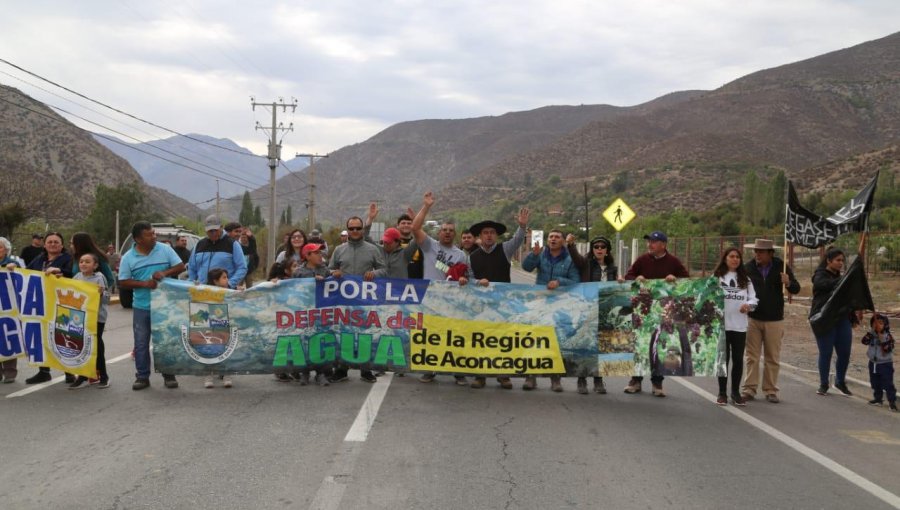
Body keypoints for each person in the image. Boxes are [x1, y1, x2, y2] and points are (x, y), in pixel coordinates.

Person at [410, 192, 473, 386]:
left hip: (452, 302)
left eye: (450, 230)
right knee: (431, 337)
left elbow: (467, 278)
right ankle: (430, 369)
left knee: (454, 336)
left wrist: (463, 279)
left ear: (455, 234)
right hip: (431, 299)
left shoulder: (461, 255)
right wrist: (426, 206)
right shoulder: (430, 246)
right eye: (444, 229)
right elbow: (414, 227)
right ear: (439, 233)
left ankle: (457, 370)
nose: (446, 232)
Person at [619, 230, 689, 397]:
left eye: (653, 242)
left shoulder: (673, 262)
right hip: (643, 310)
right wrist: (637, 278)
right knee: (640, 344)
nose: (649, 244)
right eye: (648, 241)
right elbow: (630, 275)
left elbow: (686, 280)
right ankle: (635, 381)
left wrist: (675, 278)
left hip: (664, 312)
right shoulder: (642, 260)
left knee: (659, 345)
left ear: (663, 245)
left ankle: (657, 383)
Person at [118, 221, 186, 390]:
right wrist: (144, 284)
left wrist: (164, 273)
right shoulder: (128, 257)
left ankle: (168, 374)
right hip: (142, 307)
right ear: (138, 239)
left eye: (154, 233)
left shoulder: (165, 249)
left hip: (165, 305)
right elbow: (123, 282)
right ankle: (142, 376)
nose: (154, 236)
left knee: (165, 341)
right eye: (149, 234)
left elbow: (180, 266)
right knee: (141, 343)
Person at [468, 208, 530, 389]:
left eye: (492, 233)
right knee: (482, 340)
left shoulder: (505, 250)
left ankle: (503, 375)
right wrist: (479, 282)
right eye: (485, 233)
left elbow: (518, 240)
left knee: (503, 340)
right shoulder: (472, 257)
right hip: (482, 306)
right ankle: (481, 375)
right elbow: (471, 279)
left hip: (503, 305)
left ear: (496, 236)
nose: (489, 236)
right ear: (480, 236)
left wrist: (522, 226)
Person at [741, 238, 800, 404]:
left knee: (772, 357)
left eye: (761, 251)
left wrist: (788, 282)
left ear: (770, 253)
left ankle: (770, 390)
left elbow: (795, 288)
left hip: (774, 319)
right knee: (752, 356)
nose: (757, 254)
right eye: (756, 251)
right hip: (753, 318)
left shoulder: (781, 266)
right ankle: (749, 389)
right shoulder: (748, 268)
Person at [328, 216, 386, 383]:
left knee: (364, 334)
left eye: (357, 228)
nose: (355, 231)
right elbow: (329, 269)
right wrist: (334, 273)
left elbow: (383, 270)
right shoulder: (339, 249)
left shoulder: (373, 249)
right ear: (347, 230)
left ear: (362, 229)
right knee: (343, 333)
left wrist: (373, 274)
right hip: (343, 300)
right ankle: (341, 370)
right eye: (351, 228)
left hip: (365, 300)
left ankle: (366, 370)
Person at [521, 229, 579, 391]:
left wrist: (559, 282)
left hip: (560, 305)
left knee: (555, 341)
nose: (553, 239)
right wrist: (533, 254)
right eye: (551, 237)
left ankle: (555, 379)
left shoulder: (569, 259)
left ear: (562, 241)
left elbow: (575, 280)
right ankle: (530, 377)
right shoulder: (541, 254)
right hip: (540, 303)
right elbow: (526, 268)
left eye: (557, 237)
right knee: (534, 339)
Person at [567, 234, 618, 394]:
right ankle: (581, 380)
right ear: (592, 250)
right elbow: (576, 258)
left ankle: (598, 380)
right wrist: (571, 245)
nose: (599, 249)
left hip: (604, 311)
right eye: (596, 247)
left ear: (607, 251)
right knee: (585, 344)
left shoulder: (612, 269)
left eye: (603, 247)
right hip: (587, 309)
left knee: (600, 346)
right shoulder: (586, 264)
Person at [24, 232, 74, 384]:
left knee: (63, 337)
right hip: (41, 304)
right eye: (50, 242)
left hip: (62, 304)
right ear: (44, 245)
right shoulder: (39, 259)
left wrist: (60, 272)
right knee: (42, 337)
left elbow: (74, 275)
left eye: (56, 242)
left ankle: (69, 372)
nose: (52, 244)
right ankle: (44, 371)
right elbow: (26, 273)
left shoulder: (68, 259)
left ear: (62, 245)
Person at [712, 247, 757, 406]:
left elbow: (753, 299)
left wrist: (748, 306)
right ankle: (722, 393)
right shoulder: (717, 277)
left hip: (739, 325)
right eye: (731, 256)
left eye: (737, 257)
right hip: (722, 325)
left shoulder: (746, 279)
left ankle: (735, 392)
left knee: (738, 360)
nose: (735, 259)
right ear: (725, 258)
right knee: (723, 360)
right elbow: (708, 296)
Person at [810, 248, 857, 397]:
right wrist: (844, 280)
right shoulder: (820, 275)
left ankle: (840, 381)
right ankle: (824, 383)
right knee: (826, 352)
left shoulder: (842, 278)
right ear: (829, 261)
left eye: (842, 261)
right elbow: (822, 285)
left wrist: (853, 316)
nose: (840, 263)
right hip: (824, 320)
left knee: (844, 352)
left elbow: (847, 298)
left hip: (842, 319)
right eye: (837, 260)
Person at [293, 243, 334, 386]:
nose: (320, 255)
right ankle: (304, 372)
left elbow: (335, 287)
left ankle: (321, 372)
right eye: (316, 252)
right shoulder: (298, 272)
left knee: (320, 341)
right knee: (305, 340)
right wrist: (311, 281)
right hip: (304, 312)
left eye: (320, 252)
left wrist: (337, 276)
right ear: (307, 256)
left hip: (321, 313)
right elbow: (292, 290)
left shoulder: (326, 271)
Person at [69, 253, 111, 389]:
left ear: (95, 265)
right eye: (81, 261)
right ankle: (83, 375)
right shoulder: (77, 277)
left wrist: (102, 293)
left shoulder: (99, 278)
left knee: (97, 346)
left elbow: (106, 298)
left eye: (87, 261)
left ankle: (104, 376)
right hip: (81, 317)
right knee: (82, 346)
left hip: (97, 317)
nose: (83, 264)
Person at [188, 215, 247, 289]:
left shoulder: (232, 244)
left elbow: (242, 268)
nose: (213, 233)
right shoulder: (199, 244)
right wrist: (191, 284)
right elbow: (192, 268)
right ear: (205, 230)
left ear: (221, 227)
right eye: (210, 231)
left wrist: (230, 284)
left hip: (224, 291)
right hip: (202, 290)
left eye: (215, 230)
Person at [203, 268, 234, 389]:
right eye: (224, 277)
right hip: (210, 326)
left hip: (225, 326)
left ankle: (226, 375)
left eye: (227, 277)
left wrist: (242, 292)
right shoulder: (205, 293)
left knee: (226, 349)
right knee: (210, 349)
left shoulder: (231, 291)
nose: (227, 280)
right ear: (215, 281)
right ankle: (208, 375)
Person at [0, 237, 25, 383]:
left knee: (9, 338)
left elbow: (23, 278)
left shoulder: (13, 263)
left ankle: (10, 372)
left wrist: (14, 269)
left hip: (9, 308)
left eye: (0, 247)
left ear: (6, 250)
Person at [861, 313, 896, 411]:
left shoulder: (888, 337)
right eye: (875, 323)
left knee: (888, 383)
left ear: (885, 325)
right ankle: (878, 399)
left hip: (885, 364)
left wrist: (883, 341)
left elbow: (887, 350)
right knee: (875, 382)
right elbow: (864, 341)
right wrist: (871, 333)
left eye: (880, 323)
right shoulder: (871, 335)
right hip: (873, 363)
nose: (877, 325)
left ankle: (892, 402)